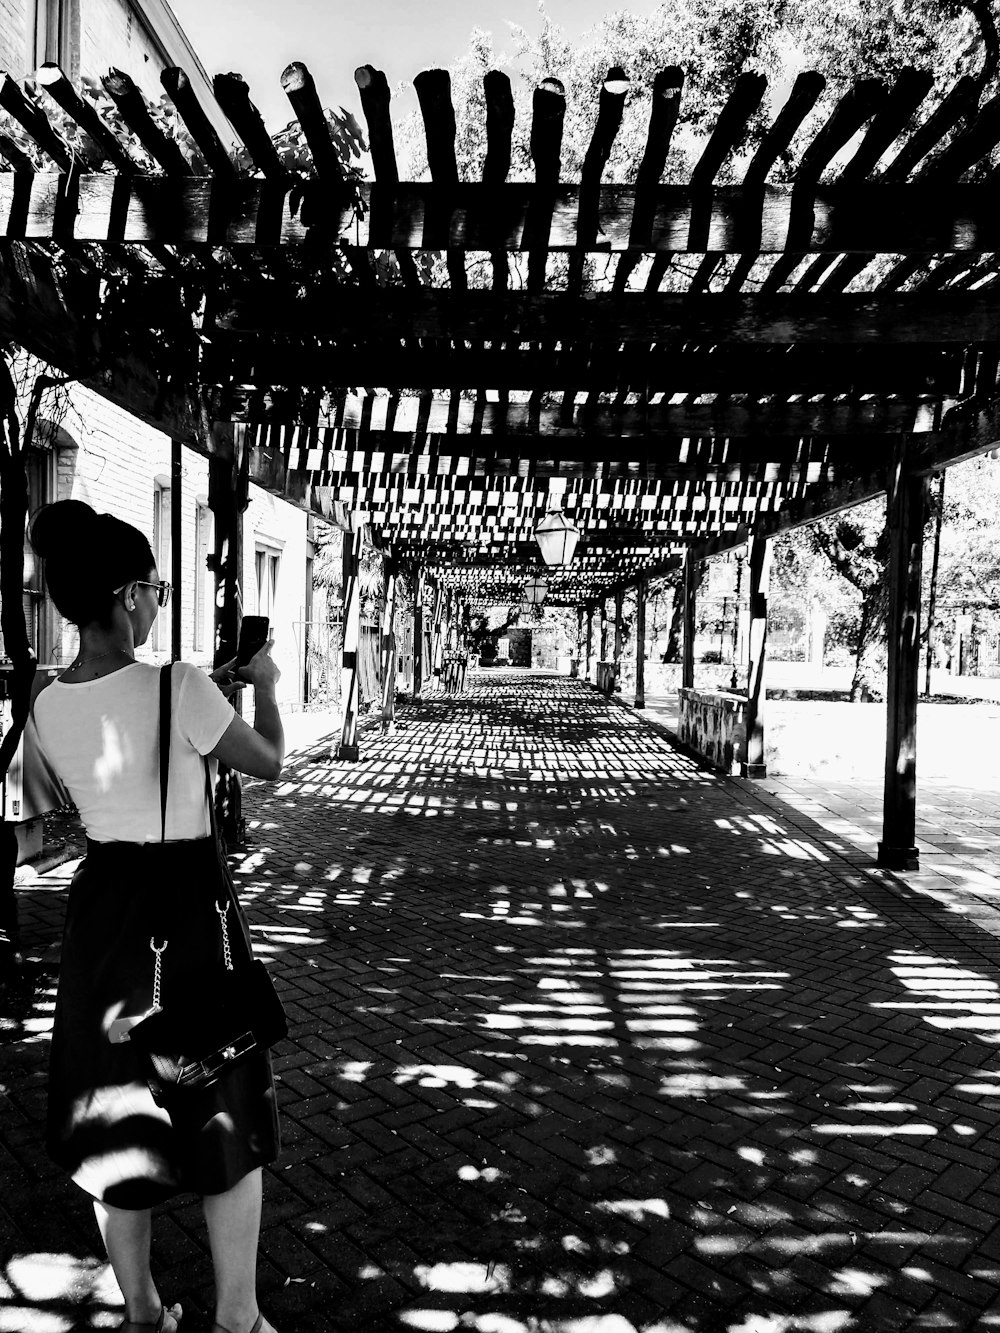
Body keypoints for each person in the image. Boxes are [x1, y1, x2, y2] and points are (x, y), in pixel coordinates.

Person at [29, 499, 284, 1333]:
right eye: (157, 588)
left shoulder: (43, 704)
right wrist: (268, 686)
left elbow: (42, 824)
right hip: (186, 912)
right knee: (224, 1112)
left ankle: (142, 1311)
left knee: (117, 1117)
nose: (158, 604)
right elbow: (272, 762)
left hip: (104, 918)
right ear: (128, 594)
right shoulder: (181, 684)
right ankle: (237, 1318)